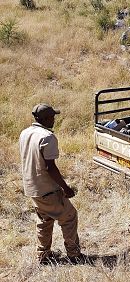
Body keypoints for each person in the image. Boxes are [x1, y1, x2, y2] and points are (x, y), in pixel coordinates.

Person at [19, 103, 84, 265]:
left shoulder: (25, 133)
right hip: (48, 189)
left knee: (44, 220)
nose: (54, 120)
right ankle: (74, 254)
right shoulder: (47, 137)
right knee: (69, 217)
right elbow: (50, 167)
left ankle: (43, 255)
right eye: (53, 118)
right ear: (46, 118)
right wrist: (66, 187)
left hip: (32, 187)